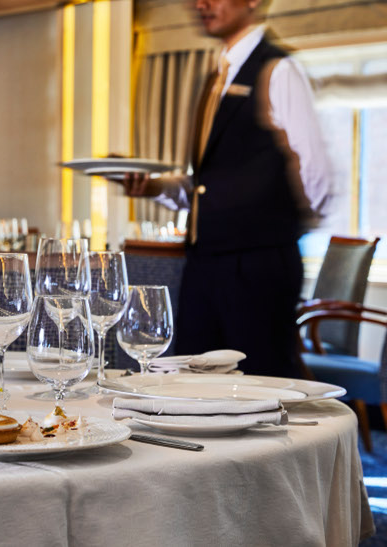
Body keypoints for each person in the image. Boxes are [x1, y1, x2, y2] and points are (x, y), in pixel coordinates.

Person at [124, 0, 331, 378]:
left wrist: (276, 227)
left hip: (257, 265)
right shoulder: (216, 77)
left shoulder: (277, 69)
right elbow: (205, 185)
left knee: (263, 389)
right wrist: (152, 187)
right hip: (205, 263)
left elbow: (317, 173)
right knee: (196, 387)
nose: (200, 4)